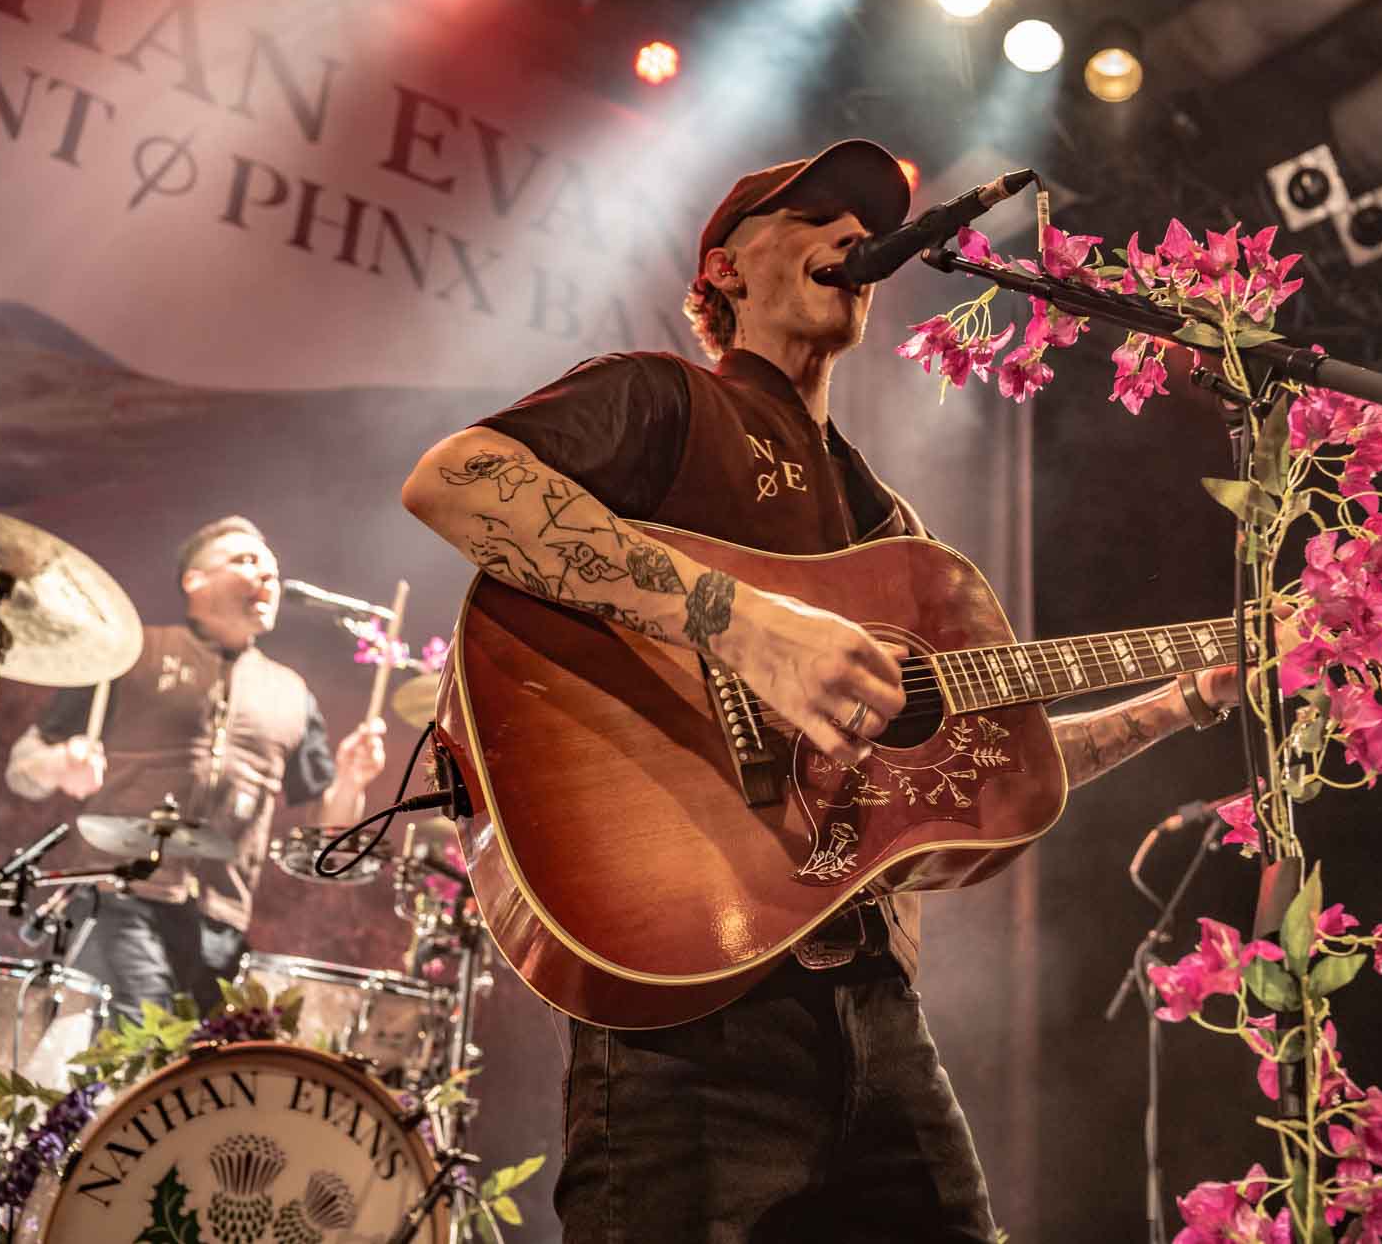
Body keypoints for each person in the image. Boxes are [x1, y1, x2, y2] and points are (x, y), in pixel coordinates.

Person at [401, 139, 1247, 1243]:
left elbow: (1004, 761)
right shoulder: (660, 400)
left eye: (860, 224)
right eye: (808, 217)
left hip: (876, 1019)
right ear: (723, 272)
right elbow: (455, 482)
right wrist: (744, 623)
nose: (851, 236)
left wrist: (1180, 700)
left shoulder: (885, 529)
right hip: (690, 1025)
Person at [4, 516, 385, 1022]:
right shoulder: (129, 654)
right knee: (142, 1034)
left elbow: (325, 827)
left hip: (219, 921)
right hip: (121, 896)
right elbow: (21, 769)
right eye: (246, 562)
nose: (267, 578)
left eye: (272, 570)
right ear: (195, 580)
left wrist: (353, 780)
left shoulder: (292, 694)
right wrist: (59, 765)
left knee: (188, 1072)